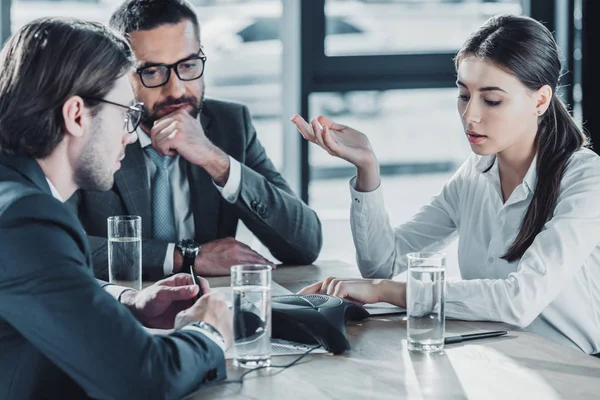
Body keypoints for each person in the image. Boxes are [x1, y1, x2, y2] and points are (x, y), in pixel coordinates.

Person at [292, 14, 600, 355]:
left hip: (575, 373)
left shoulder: (586, 179)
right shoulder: (476, 172)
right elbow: (383, 263)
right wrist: (367, 167)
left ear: (540, 100)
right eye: (464, 95)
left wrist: (386, 290)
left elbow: (519, 300)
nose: (470, 116)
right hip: (502, 359)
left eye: (492, 100)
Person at [0, 18, 233, 399]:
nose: (130, 133)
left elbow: (39, 285)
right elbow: (147, 379)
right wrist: (207, 330)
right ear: (76, 115)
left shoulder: (14, 196)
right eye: (126, 113)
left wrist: (127, 302)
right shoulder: (25, 219)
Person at [68, 0, 323, 281]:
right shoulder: (93, 132)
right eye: (152, 72)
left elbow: (305, 244)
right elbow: (58, 246)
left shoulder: (230, 124)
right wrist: (186, 257)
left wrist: (218, 162)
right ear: (120, 75)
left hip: (213, 307)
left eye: (188, 65)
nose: (176, 89)